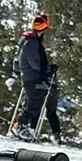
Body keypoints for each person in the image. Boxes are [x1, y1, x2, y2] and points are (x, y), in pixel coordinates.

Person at [14, 14, 60, 144]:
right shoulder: (31, 42)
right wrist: (48, 69)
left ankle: (22, 127)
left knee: (32, 102)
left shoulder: (29, 40)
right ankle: (21, 126)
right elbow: (35, 63)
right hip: (32, 77)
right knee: (35, 102)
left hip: (30, 76)